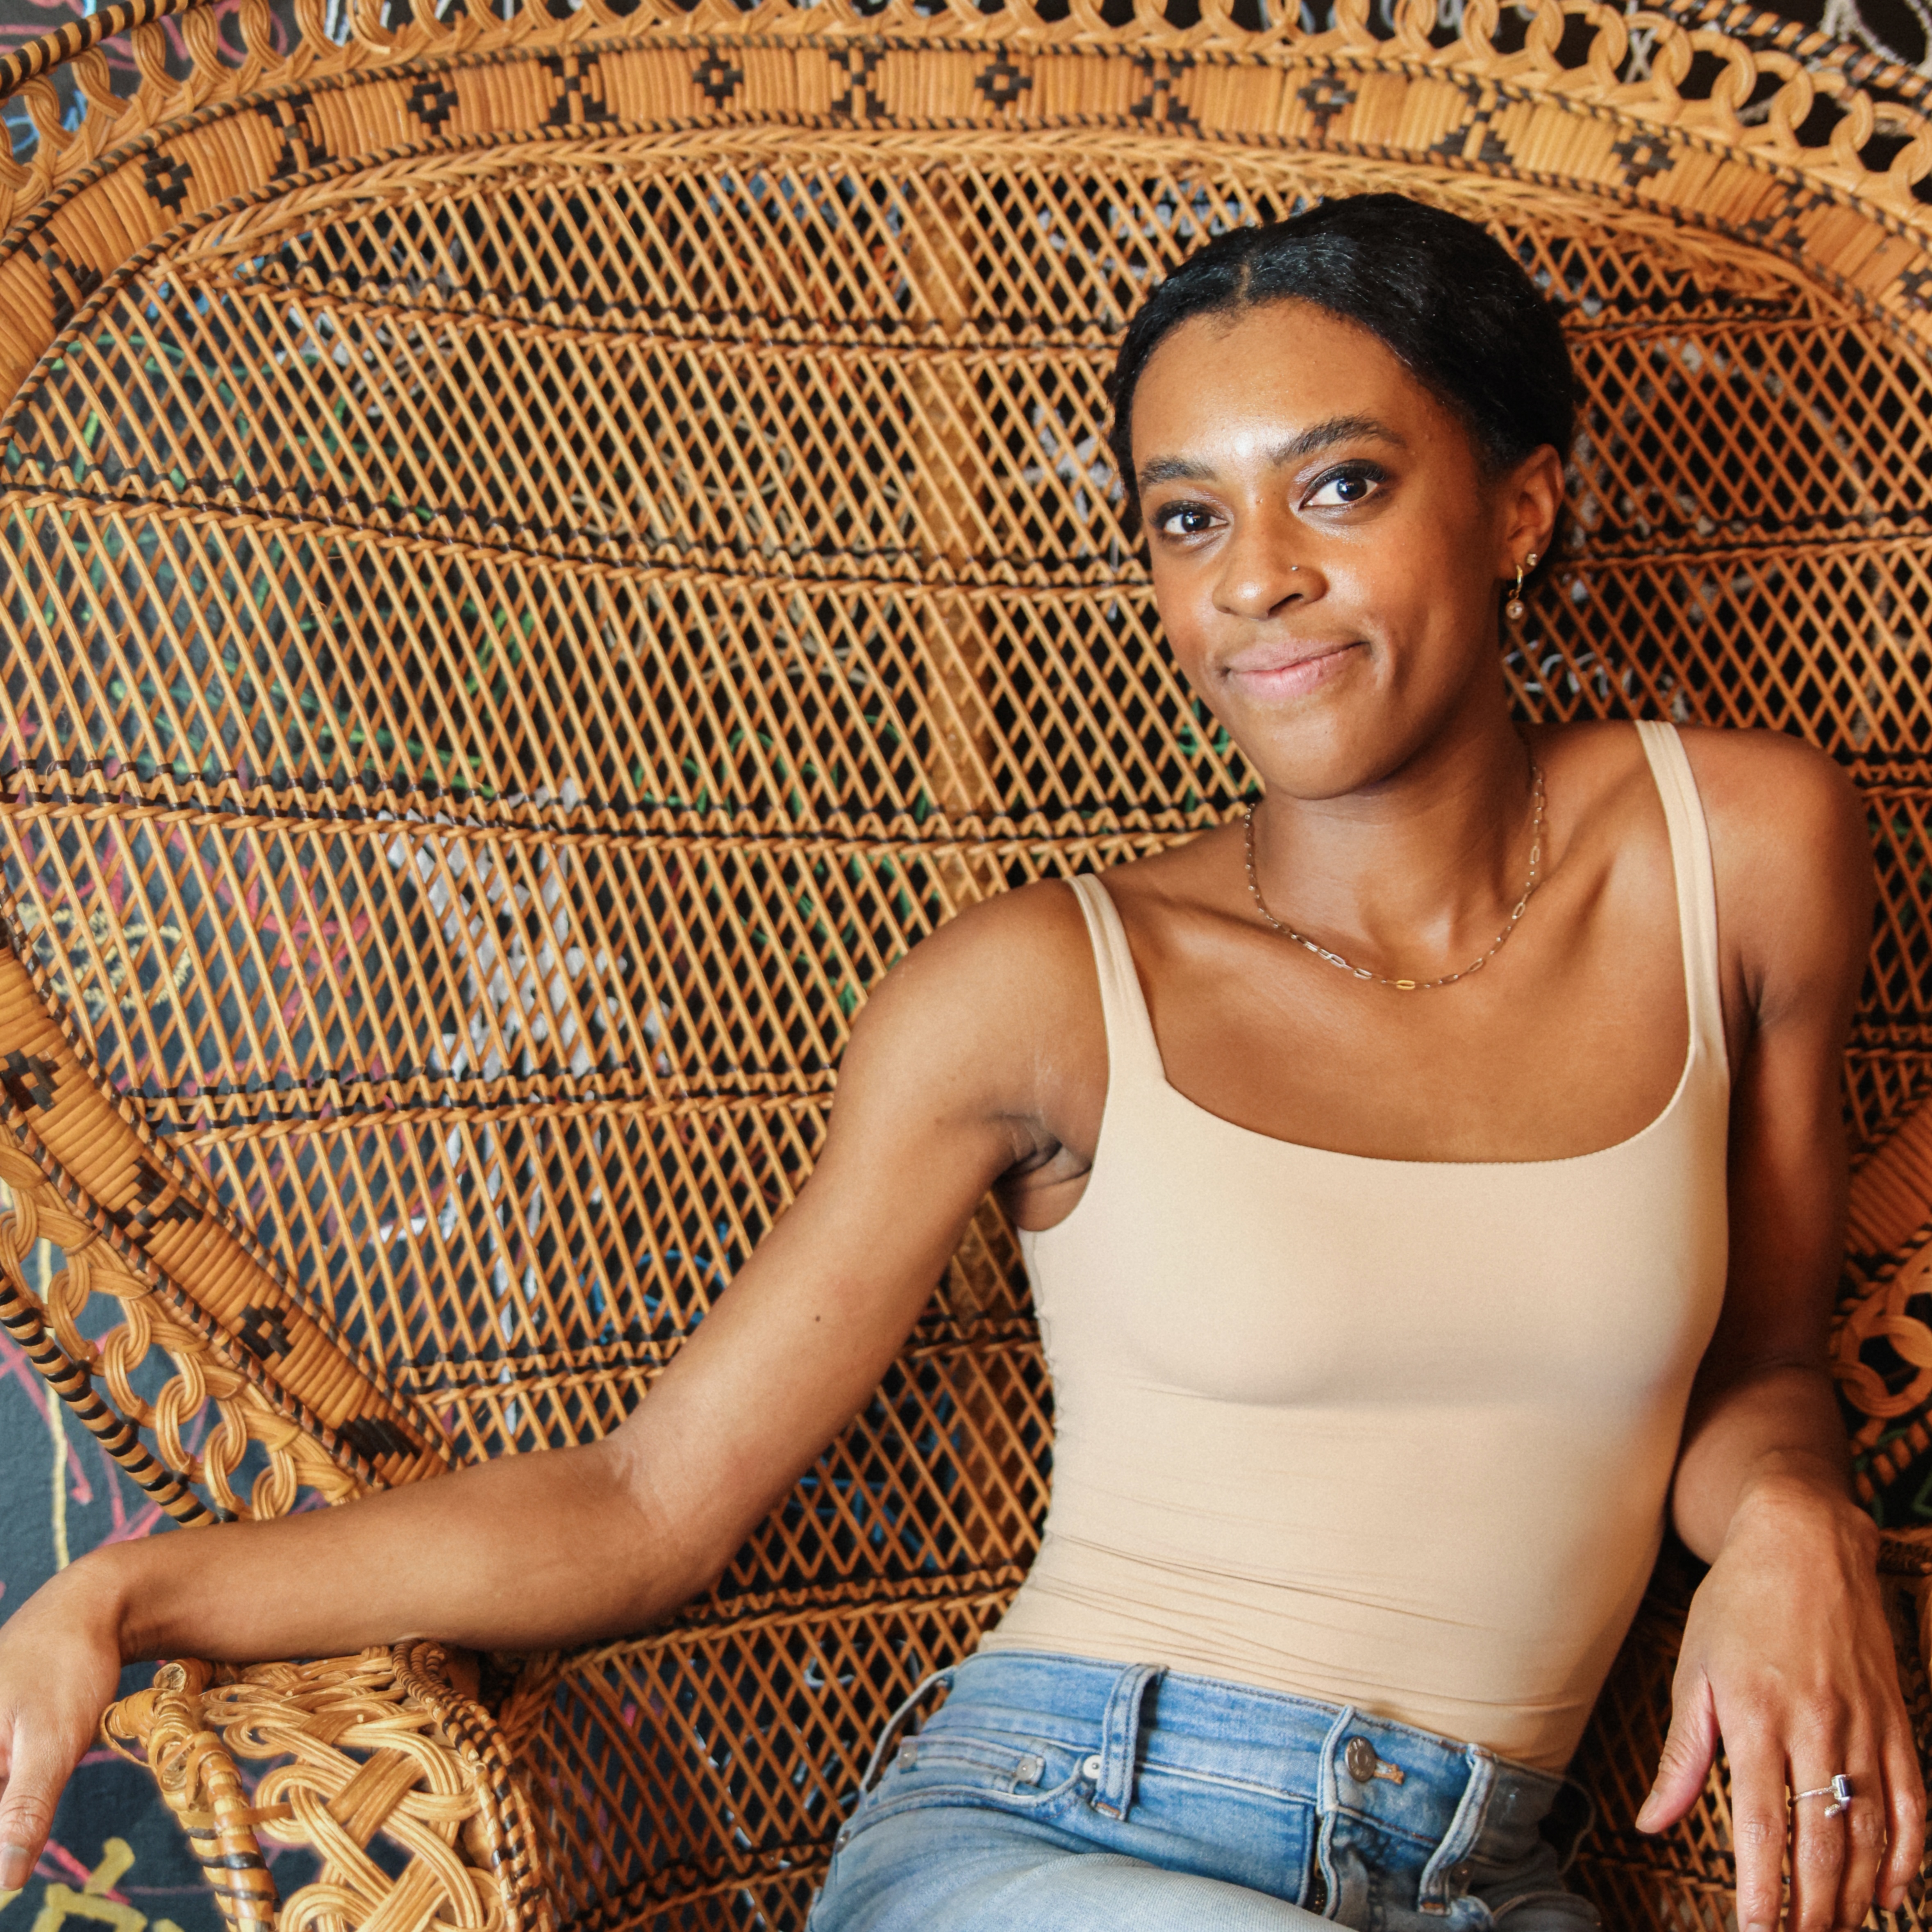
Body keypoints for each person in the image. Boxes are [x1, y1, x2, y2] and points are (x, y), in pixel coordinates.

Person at [0, 194, 1917, 1932]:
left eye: (1336, 486)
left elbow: (1756, 1368)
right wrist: (133, 1594)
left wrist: (1788, 1518)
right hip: (1066, 1839)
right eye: (1189, 517)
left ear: (1519, 504)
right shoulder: (1039, 989)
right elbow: (650, 1502)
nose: (1253, 578)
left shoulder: (1738, 856)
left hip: (1484, 1880)